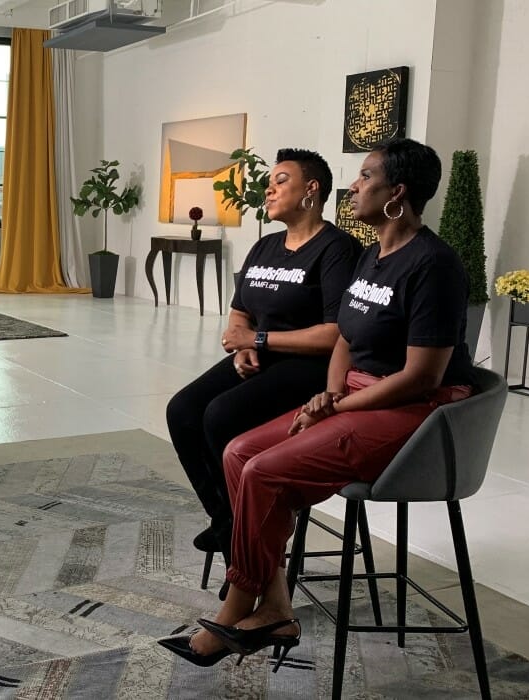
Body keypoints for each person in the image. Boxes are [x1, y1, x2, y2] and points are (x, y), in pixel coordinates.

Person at [161, 137, 475, 667]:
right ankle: (277, 606)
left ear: (396, 193)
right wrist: (330, 393)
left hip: (412, 410)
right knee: (238, 453)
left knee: (260, 471)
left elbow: (422, 377)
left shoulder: (433, 265)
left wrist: (337, 406)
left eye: (366, 177)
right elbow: (348, 339)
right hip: (355, 391)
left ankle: (237, 608)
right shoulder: (375, 254)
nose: (353, 187)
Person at [166, 149, 362, 566]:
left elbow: (334, 333)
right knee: (182, 410)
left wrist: (258, 339)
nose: (268, 189)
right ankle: (228, 519)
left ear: (312, 189)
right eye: (270, 181)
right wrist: (243, 345)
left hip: (308, 366)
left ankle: (254, 535)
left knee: (220, 416)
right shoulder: (265, 246)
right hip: (260, 355)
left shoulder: (336, 249)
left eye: (281, 180)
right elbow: (241, 310)